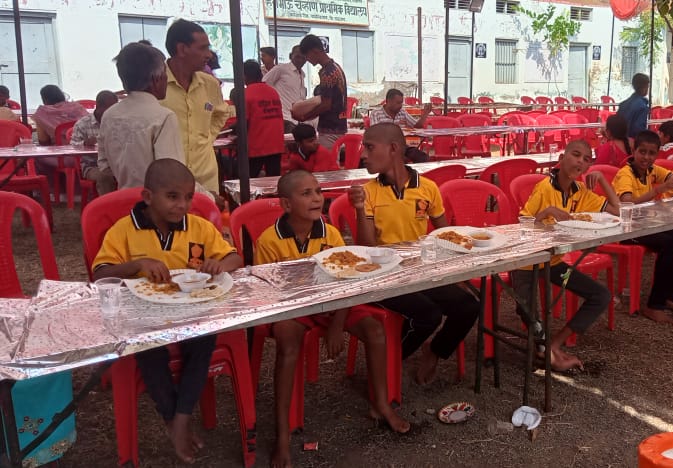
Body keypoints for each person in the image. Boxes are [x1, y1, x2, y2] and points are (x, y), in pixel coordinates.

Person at [92, 159, 243, 463]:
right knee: (149, 350)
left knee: (204, 340)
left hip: (192, 312)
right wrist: (137, 264)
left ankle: (181, 417)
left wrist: (219, 264)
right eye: (172, 196)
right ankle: (171, 417)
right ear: (148, 197)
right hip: (144, 315)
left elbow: (235, 259)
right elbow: (100, 274)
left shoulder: (199, 227)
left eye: (188, 197)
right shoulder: (124, 230)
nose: (182, 205)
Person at [254, 170, 409, 467]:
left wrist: (337, 323)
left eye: (317, 191)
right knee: (287, 346)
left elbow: (345, 281)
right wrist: (300, 312)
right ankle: (283, 434)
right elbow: (269, 291)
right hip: (291, 309)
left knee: (375, 331)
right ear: (286, 204)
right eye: (306, 194)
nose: (316, 198)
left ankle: (381, 404)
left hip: (332, 304)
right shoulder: (269, 241)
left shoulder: (331, 234)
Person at [347, 123, 479, 385]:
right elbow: (367, 248)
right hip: (384, 276)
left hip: (419, 271)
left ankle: (435, 350)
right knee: (428, 315)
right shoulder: (368, 192)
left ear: (393, 149)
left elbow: (445, 235)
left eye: (369, 147)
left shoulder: (427, 188)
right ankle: (386, 365)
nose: (363, 154)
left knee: (469, 305)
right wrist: (360, 209)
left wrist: (457, 273)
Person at [513, 140, 619, 370]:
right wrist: (546, 212)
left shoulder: (581, 191)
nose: (580, 161)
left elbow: (615, 210)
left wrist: (601, 179)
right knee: (528, 311)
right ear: (562, 158)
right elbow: (522, 227)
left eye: (586, 159)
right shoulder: (544, 188)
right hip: (526, 262)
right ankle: (543, 352)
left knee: (601, 295)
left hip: (553, 263)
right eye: (576, 155)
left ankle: (554, 344)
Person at [613, 131, 673, 324]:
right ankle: (654, 305)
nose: (646, 157)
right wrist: (658, 190)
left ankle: (671, 296)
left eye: (651, 153)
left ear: (657, 154)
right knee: (669, 244)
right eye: (642, 152)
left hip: (649, 224)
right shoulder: (625, 174)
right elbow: (627, 204)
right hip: (627, 227)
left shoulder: (652, 170)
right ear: (634, 151)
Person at [99, 42, 184, 192]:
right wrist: (208, 196)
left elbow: (104, 166)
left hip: (121, 200)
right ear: (156, 79)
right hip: (155, 202)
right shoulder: (163, 117)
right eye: (165, 73)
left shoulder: (109, 115)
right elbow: (173, 174)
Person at [161, 19, 230, 195]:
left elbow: (221, 113)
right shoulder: (156, 84)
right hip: (168, 179)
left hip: (206, 176)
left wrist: (207, 138)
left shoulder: (210, 84)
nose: (209, 55)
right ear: (182, 49)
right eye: (203, 48)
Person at [296, 34, 347, 150]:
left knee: (328, 161)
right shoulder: (336, 67)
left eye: (307, 56)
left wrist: (305, 116)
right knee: (334, 159)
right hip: (340, 125)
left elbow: (326, 104)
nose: (307, 60)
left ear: (314, 51)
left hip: (330, 128)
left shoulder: (327, 73)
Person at [237, 60, 284, 178]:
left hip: (257, 145)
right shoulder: (273, 91)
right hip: (276, 143)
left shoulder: (246, 94)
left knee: (249, 180)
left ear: (244, 76)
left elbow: (244, 123)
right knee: (274, 180)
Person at [70, 90, 119, 194]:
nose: (114, 111)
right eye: (110, 108)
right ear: (99, 107)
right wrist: (85, 144)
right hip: (92, 165)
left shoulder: (118, 122)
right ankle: (108, 204)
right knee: (105, 177)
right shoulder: (83, 124)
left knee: (136, 171)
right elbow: (72, 146)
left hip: (115, 163)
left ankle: (130, 202)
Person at [263, 45, 309, 132]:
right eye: (297, 57)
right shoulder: (281, 68)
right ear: (290, 56)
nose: (300, 60)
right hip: (284, 119)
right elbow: (264, 84)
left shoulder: (302, 74)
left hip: (297, 120)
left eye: (303, 58)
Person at [369, 88, 433, 129]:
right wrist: (394, 127)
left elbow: (417, 126)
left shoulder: (402, 112)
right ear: (388, 101)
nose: (400, 105)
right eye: (398, 103)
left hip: (401, 144)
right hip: (383, 145)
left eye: (401, 103)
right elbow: (374, 132)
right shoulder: (376, 113)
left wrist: (425, 114)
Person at [617, 73, 650, 138]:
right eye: (647, 86)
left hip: (620, 138)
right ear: (645, 87)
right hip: (632, 140)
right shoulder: (642, 107)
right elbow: (638, 129)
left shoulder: (623, 104)